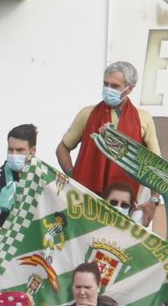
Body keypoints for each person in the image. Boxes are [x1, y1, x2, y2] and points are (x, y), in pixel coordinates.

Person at [58, 61, 162, 220]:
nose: (108, 89)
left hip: (122, 204)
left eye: (114, 86)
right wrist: (73, 177)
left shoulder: (144, 119)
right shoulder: (87, 113)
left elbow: (156, 166)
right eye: (105, 84)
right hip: (86, 201)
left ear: (130, 88)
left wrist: (153, 201)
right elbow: (62, 148)